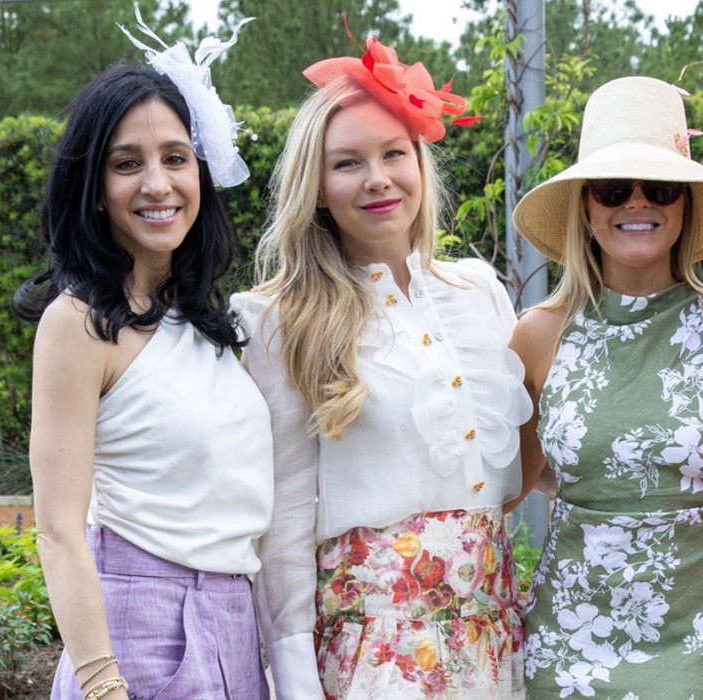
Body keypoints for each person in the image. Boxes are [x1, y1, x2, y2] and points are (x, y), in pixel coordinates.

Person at [232, 36, 530, 700]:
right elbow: (281, 524)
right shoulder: (279, 319)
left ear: (420, 163)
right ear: (315, 189)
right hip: (375, 655)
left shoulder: (477, 292)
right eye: (347, 162)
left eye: (394, 153)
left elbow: (513, 477)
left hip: (489, 639)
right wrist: (296, 684)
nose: (377, 178)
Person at [15, 14, 271, 700]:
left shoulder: (217, 324)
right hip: (136, 634)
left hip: (233, 626)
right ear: (94, 190)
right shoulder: (78, 326)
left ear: (201, 172)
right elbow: (58, 532)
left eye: (175, 158)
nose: (157, 184)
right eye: (127, 163)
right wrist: (102, 683)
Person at [509, 75, 703, 700]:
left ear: (685, 205)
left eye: (659, 188)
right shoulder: (536, 336)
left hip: (701, 633)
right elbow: (506, 485)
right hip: (569, 634)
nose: (636, 203)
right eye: (611, 189)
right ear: (585, 206)